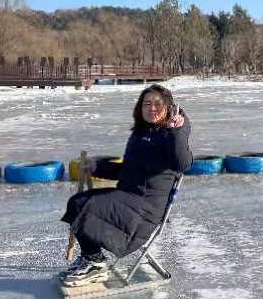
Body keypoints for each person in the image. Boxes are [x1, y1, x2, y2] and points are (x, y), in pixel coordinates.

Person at [60, 84, 193, 286]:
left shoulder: (172, 134)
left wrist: (175, 132)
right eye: (147, 104)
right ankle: (92, 258)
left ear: (169, 107)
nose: (152, 108)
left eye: (158, 104)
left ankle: (95, 264)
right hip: (127, 197)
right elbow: (126, 170)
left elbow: (183, 163)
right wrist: (95, 166)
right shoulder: (142, 134)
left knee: (84, 206)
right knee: (77, 201)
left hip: (143, 211)